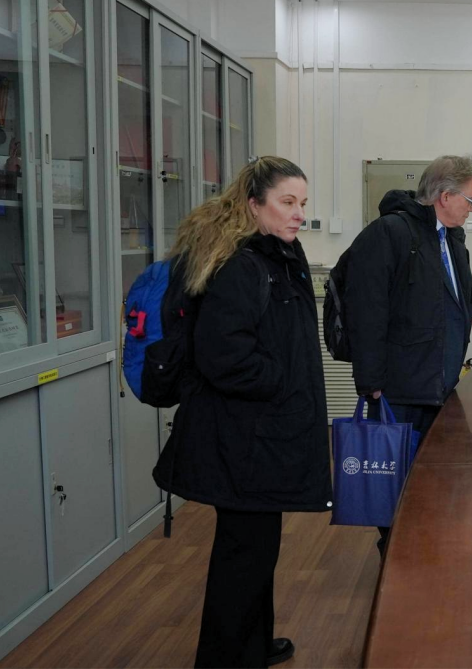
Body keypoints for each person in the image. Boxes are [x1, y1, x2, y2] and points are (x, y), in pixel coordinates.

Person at [154, 156, 330, 668]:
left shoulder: (274, 254)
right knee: (243, 556)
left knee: (256, 550)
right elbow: (223, 356)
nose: (298, 213)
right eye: (287, 202)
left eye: (302, 203)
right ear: (254, 204)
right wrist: (281, 382)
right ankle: (224, 658)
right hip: (242, 439)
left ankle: (252, 645)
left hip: (258, 434)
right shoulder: (241, 265)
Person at [341, 155, 472, 552]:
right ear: (445, 196)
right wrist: (371, 382)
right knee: (393, 484)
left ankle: (422, 554)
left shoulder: (451, 240)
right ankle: (395, 558)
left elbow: (463, 300)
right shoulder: (391, 233)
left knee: (429, 483)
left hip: (437, 385)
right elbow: (366, 311)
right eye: (470, 200)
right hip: (398, 389)